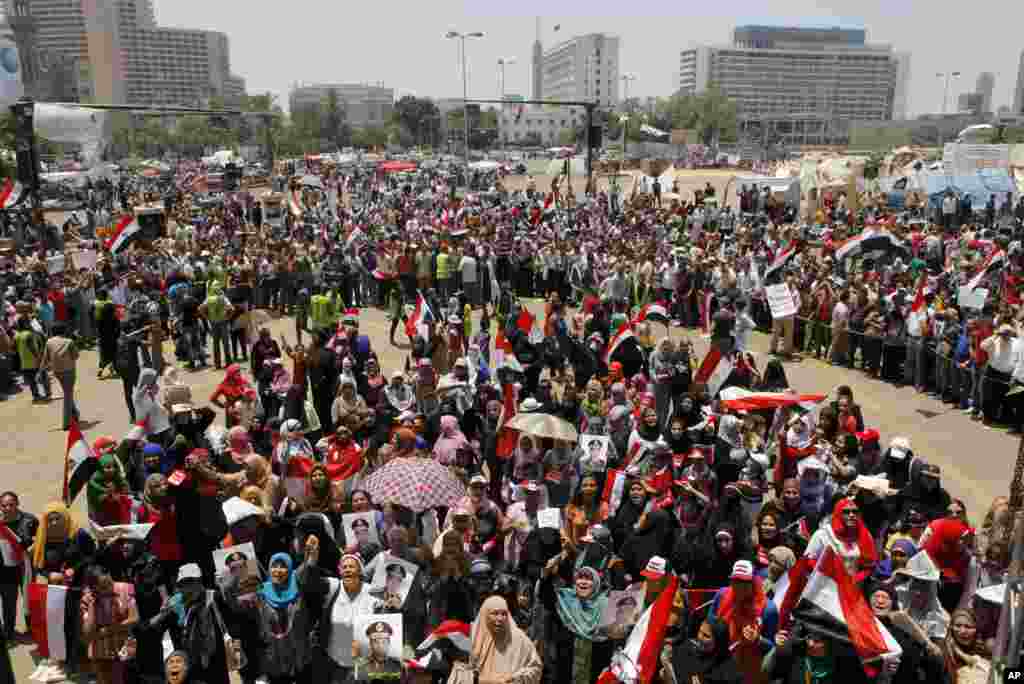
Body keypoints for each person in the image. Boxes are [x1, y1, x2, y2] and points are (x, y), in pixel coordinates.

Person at [448, 595, 541, 684]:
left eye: (504, 614)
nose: (500, 618)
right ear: (485, 615)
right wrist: (485, 681)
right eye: (495, 613)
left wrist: (516, 678)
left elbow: (535, 668)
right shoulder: (473, 637)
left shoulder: (520, 639)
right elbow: (459, 673)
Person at [39, 323, 80, 429]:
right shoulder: (69, 341)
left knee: (67, 392)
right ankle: (66, 423)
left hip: (57, 371)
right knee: (68, 394)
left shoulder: (49, 342)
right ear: (64, 331)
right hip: (69, 370)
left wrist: (40, 371)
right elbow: (76, 356)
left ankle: (75, 414)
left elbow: (45, 358)